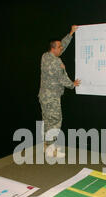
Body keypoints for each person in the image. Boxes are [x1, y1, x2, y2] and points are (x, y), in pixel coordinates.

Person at [38, 25, 81, 158]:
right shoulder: (56, 62)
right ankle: (51, 148)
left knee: (47, 121)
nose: (61, 48)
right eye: (59, 48)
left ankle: (46, 146)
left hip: (44, 97)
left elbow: (61, 45)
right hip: (52, 98)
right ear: (53, 49)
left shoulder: (45, 56)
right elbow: (62, 79)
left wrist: (71, 33)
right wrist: (72, 84)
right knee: (56, 121)